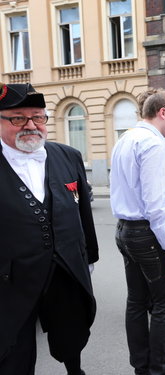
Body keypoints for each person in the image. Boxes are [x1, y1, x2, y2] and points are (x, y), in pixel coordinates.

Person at [0, 83, 98, 375]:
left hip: (64, 272)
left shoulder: (67, 156)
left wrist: (88, 258)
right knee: (14, 351)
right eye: (18, 118)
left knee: (71, 336)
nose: (31, 125)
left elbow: (83, 214)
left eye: (38, 117)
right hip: (11, 280)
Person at [110, 89, 165, 375]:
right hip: (147, 235)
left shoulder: (125, 139)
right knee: (164, 305)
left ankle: (143, 368)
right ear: (162, 113)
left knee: (136, 301)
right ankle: (160, 370)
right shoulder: (154, 144)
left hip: (125, 231)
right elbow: (158, 207)